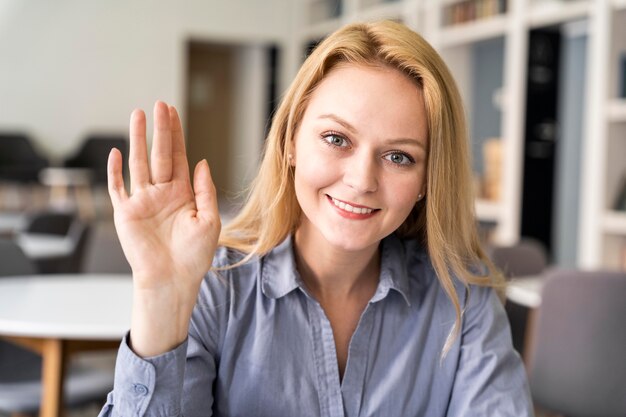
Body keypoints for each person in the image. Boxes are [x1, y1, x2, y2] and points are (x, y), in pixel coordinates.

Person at [99, 20, 533, 416]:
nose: (362, 180)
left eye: (399, 156)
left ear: (427, 179)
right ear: (290, 141)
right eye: (336, 138)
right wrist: (161, 301)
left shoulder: (464, 299)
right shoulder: (215, 285)